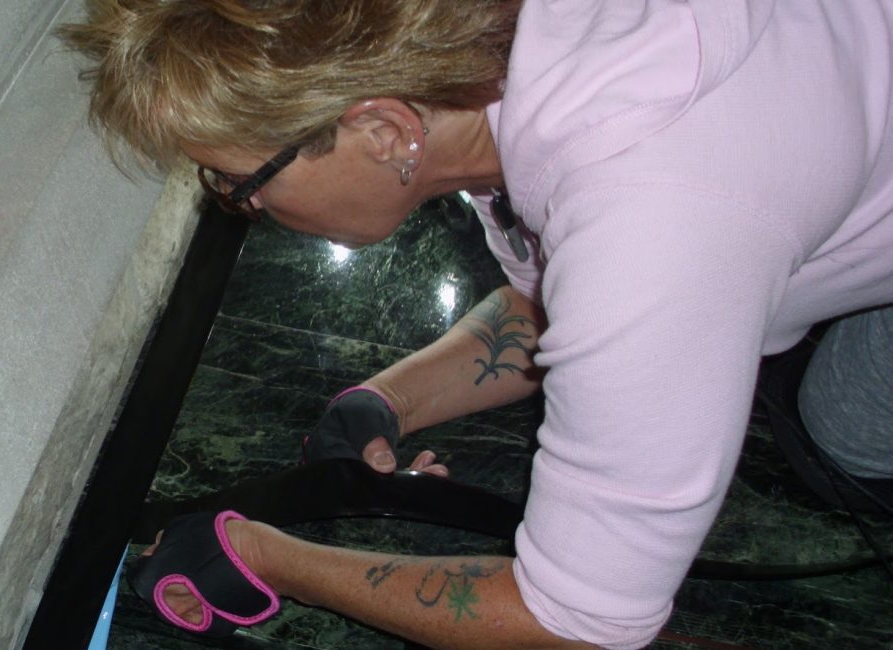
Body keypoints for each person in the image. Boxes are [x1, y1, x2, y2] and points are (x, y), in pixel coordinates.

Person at [59, 1, 893, 648]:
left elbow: (574, 623)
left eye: (236, 181)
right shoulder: (486, 59)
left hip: (736, 202)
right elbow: (558, 290)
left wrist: (270, 559)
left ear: (385, 131)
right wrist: (384, 403)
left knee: (844, 432)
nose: (241, 207)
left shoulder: (652, 230)